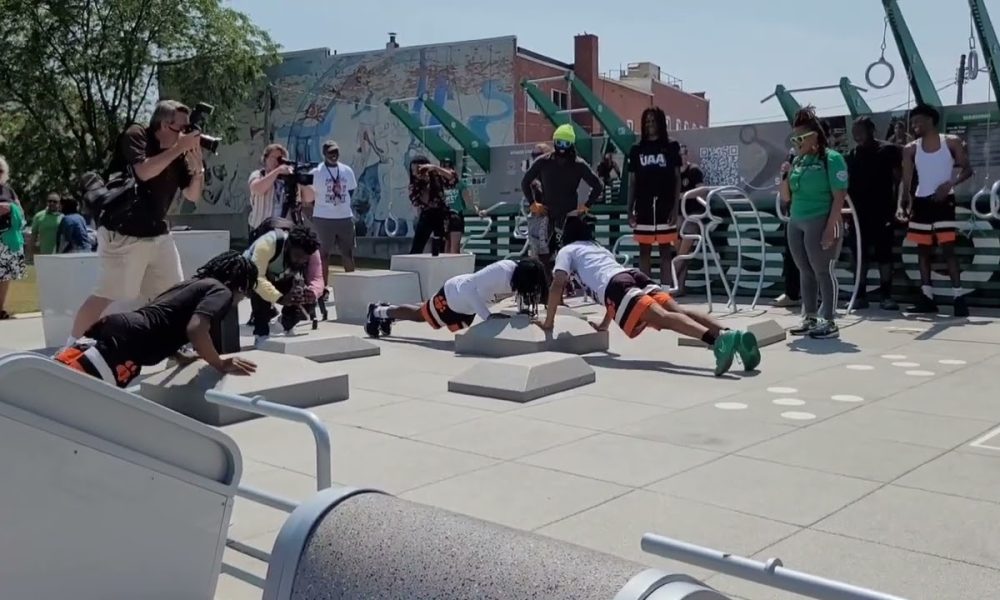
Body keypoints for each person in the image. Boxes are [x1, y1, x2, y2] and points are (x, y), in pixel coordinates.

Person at [535, 216, 759, 377]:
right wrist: (604, 324)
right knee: (677, 311)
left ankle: (718, 341)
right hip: (632, 275)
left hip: (617, 286)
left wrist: (549, 321)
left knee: (662, 317)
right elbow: (606, 287)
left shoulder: (568, 251)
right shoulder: (596, 247)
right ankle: (731, 334)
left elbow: (557, 284)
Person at [68, 99, 205, 349]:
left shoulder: (179, 153)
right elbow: (143, 171)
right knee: (107, 294)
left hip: (159, 233)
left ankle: (174, 346)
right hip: (124, 233)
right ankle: (70, 348)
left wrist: (198, 170)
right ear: (164, 124)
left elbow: (192, 195)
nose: (186, 134)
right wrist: (178, 148)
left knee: (174, 294)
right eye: (182, 128)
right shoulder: (137, 134)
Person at [53, 251, 258, 388]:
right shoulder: (222, 292)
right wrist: (218, 363)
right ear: (242, 286)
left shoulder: (193, 284)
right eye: (246, 294)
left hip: (115, 328)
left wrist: (179, 356)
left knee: (56, 376)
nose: (241, 300)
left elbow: (165, 320)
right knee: (74, 392)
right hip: (126, 345)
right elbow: (196, 329)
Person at [778, 107, 848, 339]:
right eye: (793, 138)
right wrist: (784, 176)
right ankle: (809, 316)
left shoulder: (832, 159)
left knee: (823, 271)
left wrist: (830, 228)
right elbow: (787, 197)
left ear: (814, 137)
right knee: (804, 270)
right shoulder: (797, 161)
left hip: (820, 219)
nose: (796, 142)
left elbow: (839, 196)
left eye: (800, 138)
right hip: (796, 221)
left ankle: (829, 320)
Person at [898, 104, 973, 316]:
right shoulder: (910, 148)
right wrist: (904, 202)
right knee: (923, 250)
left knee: (948, 248)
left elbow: (967, 169)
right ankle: (927, 297)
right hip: (921, 201)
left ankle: (958, 297)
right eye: (913, 122)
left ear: (931, 121)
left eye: (918, 121)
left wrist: (949, 184)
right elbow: (907, 179)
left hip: (944, 200)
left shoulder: (951, 142)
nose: (915, 126)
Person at [364, 257, 549, 338]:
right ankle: (378, 311)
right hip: (455, 295)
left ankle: (386, 311)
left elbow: (520, 299)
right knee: (421, 315)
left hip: (466, 306)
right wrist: (488, 317)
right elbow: (469, 287)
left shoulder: (519, 280)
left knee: (422, 308)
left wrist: (523, 314)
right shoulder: (502, 271)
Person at [520, 125, 604, 269]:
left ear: (572, 144)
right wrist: (533, 204)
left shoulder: (579, 164)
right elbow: (525, 181)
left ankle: (570, 286)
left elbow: (598, 185)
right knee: (544, 257)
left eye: (566, 144)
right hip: (547, 214)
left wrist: (586, 206)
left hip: (569, 216)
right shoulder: (543, 161)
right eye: (559, 143)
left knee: (569, 255)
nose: (562, 148)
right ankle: (546, 288)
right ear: (554, 142)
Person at [846, 116, 903, 310]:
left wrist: (899, 205)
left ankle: (886, 295)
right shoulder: (852, 154)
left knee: (884, 256)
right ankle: (860, 295)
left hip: (883, 212)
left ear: (871, 131)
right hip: (857, 214)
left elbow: (900, 179)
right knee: (859, 256)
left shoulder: (888, 150)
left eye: (860, 130)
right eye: (854, 131)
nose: (856, 135)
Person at [245, 220, 325, 344]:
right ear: (288, 245)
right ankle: (261, 333)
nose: (300, 261)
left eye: (305, 258)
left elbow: (317, 278)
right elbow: (257, 277)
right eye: (297, 255)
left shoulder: (311, 249)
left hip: (281, 277)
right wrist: (279, 298)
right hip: (249, 278)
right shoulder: (269, 242)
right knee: (260, 295)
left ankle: (285, 323)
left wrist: (312, 292)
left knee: (303, 294)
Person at [627, 106, 681, 286]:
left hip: (665, 205)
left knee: (666, 251)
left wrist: (675, 207)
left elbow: (677, 178)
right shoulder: (637, 148)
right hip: (643, 206)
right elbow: (632, 181)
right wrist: (629, 210)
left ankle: (665, 291)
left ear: (660, 123)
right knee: (644, 251)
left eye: (653, 121)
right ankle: (646, 291)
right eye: (647, 121)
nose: (650, 124)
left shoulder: (671, 146)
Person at [301, 140, 358, 281]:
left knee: (348, 253)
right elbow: (307, 195)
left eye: (336, 152)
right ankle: (323, 288)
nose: (333, 155)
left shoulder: (346, 170)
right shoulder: (316, 172)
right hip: (323, 218)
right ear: (324, 153)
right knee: (323, 254)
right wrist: (314, 212)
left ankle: (353, 284)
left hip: (344, 217)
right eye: (330, 152)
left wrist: (342, 203)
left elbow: (350, 191)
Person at [407, 155, 457, 255]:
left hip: (441, 213)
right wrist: (424, 183)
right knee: (417, 245)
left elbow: (452, 178)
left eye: (419, 169)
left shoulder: (437, 177)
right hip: (426, 214)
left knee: (440, 245)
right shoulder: (414, 185)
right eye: (413, 170)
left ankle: (439, 264)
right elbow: (423, 202)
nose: (416, 173)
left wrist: (434, 168)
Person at [673, 144, 706, 295]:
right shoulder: (672, 174)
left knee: (682, 252)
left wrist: (684, 195)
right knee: (681, 253)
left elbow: (703, 191)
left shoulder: (694, 170)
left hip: (693, 215)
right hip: (678, 216)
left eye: (683, 154)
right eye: (678, 154)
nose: (681, 157)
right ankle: (679, 287)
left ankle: (669, 283)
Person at [248, 143, 294, 234]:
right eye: (274, 158)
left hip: (283, 230)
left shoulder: (288, 180)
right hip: (260, 229)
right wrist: (277, 171)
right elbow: (258, 189)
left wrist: (299, 178)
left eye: (281, 159)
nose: (277, 162)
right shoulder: (258, 174)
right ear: (265, 159)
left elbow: (309, 197)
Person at [443, 159, 483, 254]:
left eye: (449, 169)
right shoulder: (440, 185)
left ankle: (455, 267)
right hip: (443, 217)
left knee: (454, 247)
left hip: (456, 216)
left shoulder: (459, 184)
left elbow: (468, 200)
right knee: (445, 247)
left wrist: (477, 211)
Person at [0, 200, 26, 320]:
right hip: (9, 244)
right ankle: (0, 308)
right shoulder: (11, 201)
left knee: (4, 278)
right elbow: (20, 222)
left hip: (5, 243)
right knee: (5, 278)